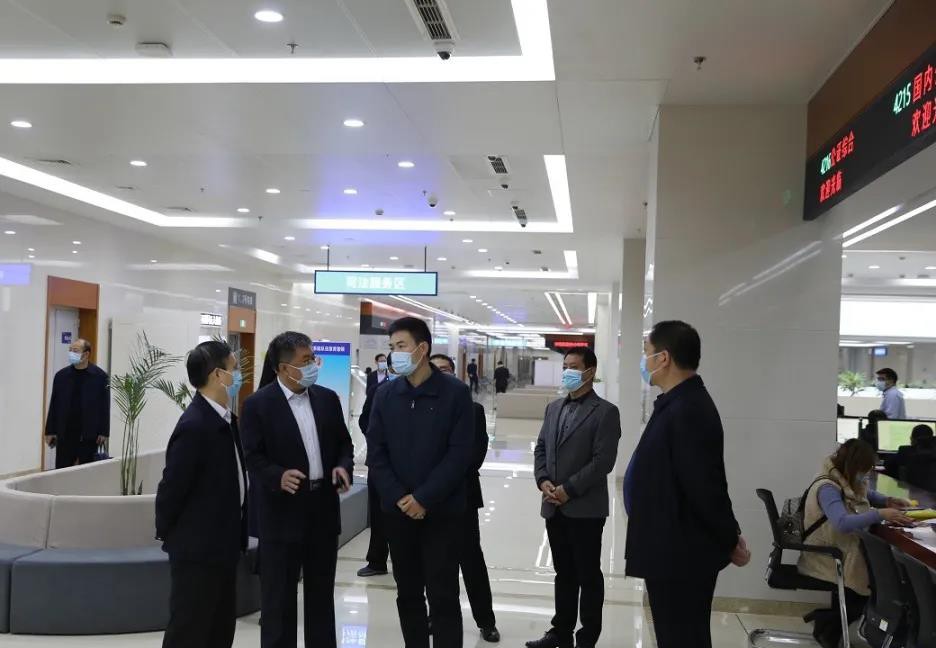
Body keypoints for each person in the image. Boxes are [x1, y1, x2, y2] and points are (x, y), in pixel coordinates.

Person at [623, 320, 750, 648]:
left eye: (647, 353)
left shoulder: (689, 408)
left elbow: (706, 486)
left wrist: (729, 536)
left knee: (683, 637)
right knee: (673, 636)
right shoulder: (675, 402)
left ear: (663, 358)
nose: (644, 360)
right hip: (667, 548)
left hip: (681, 554)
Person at [240, 331, 354, 648]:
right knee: (278, 600)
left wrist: (343, 467)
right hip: (281, 514)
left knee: (321, 596)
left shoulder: (327, 399)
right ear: (282, 368)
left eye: (312, 358)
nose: (313, 365)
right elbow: (252, 455)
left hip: (322, 510)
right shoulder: (257, 405)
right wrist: (277, 476)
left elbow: (344, 444)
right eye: (305, 360)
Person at [366, 317, 474, 648]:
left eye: (401, 346)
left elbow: (460, 454)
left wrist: (424, 498)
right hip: (398, 514)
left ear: (422, 348)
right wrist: (400, 497)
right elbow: (376, 452)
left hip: (442, 512)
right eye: (392, 347)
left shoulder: (455, 394)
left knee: (443, 594)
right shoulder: (385, 394)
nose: (394, 353)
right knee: (408, 592)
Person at [155, 340, 248, 648]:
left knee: (218, 630)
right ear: (218, 375)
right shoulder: (195, 425)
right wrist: (174, 535)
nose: (238, 376)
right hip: (197, 551)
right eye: (234, 369)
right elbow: (172, 488)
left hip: (223, 545)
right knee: (190, 630)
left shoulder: (226, 420)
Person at [527, 348, 621, 648]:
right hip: (553, 506)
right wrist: (543, 480)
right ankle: (561, 632)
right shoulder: (553, 407)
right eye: (565, 366)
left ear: (590, 371)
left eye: (574, 366)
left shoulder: (605, 412)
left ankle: (587, 637)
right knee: (563, 573)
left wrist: (568, 489)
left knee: (588, 575)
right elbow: (541, 448)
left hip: (585, 508)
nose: (567, 371)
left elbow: (603, 461)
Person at [797, 439, 915, 648]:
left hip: (839, 552)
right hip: (825, 557)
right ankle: (827, 624)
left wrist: (887, 501)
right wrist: (879, 514)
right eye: (864, 471)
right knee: (876, 583)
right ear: (853, 467)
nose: (865, 476)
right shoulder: (827, 488)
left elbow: (863, 493)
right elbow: (842, 523)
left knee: (875, 580)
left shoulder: (840, 481)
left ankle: (828, 625)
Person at [430, 353, 500, 643]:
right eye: (437, 370)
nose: (443, 374)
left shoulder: (474, 410)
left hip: (462, 498)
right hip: (428, 500)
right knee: (435, 562)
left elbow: (475, 456)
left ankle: (486, 620)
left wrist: (441, 481)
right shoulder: (420, 408)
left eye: (447, 369)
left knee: (471, 560)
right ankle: (437, 616)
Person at [45, 338, 110, 468]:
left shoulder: (100, 376)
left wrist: (104, 431)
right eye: (70, 350)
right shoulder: (61, 376)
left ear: (86, 354)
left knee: (86, 471)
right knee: (62, 470)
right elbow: (54, 404)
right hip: (65, 432)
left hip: (89, 433)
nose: (71, 353)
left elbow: (104, 406)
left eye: (75, 350)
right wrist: (50, 430)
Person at [356, 353, 393, 578]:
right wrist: (376, 438)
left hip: (409, 464)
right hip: (379, 461)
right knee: (378, 514)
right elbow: (364, 420)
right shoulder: (378, 391)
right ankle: (377, 560)